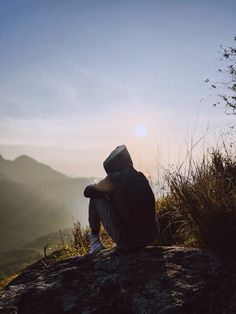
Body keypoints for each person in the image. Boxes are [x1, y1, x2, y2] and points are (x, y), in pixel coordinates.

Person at [84, 145, 159, 253]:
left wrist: (97, 186)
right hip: (151, 237)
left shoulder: (113, 179)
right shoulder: (140, 176)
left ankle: (95, 242)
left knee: (95, 196)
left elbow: (87, 192)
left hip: (129, 242)